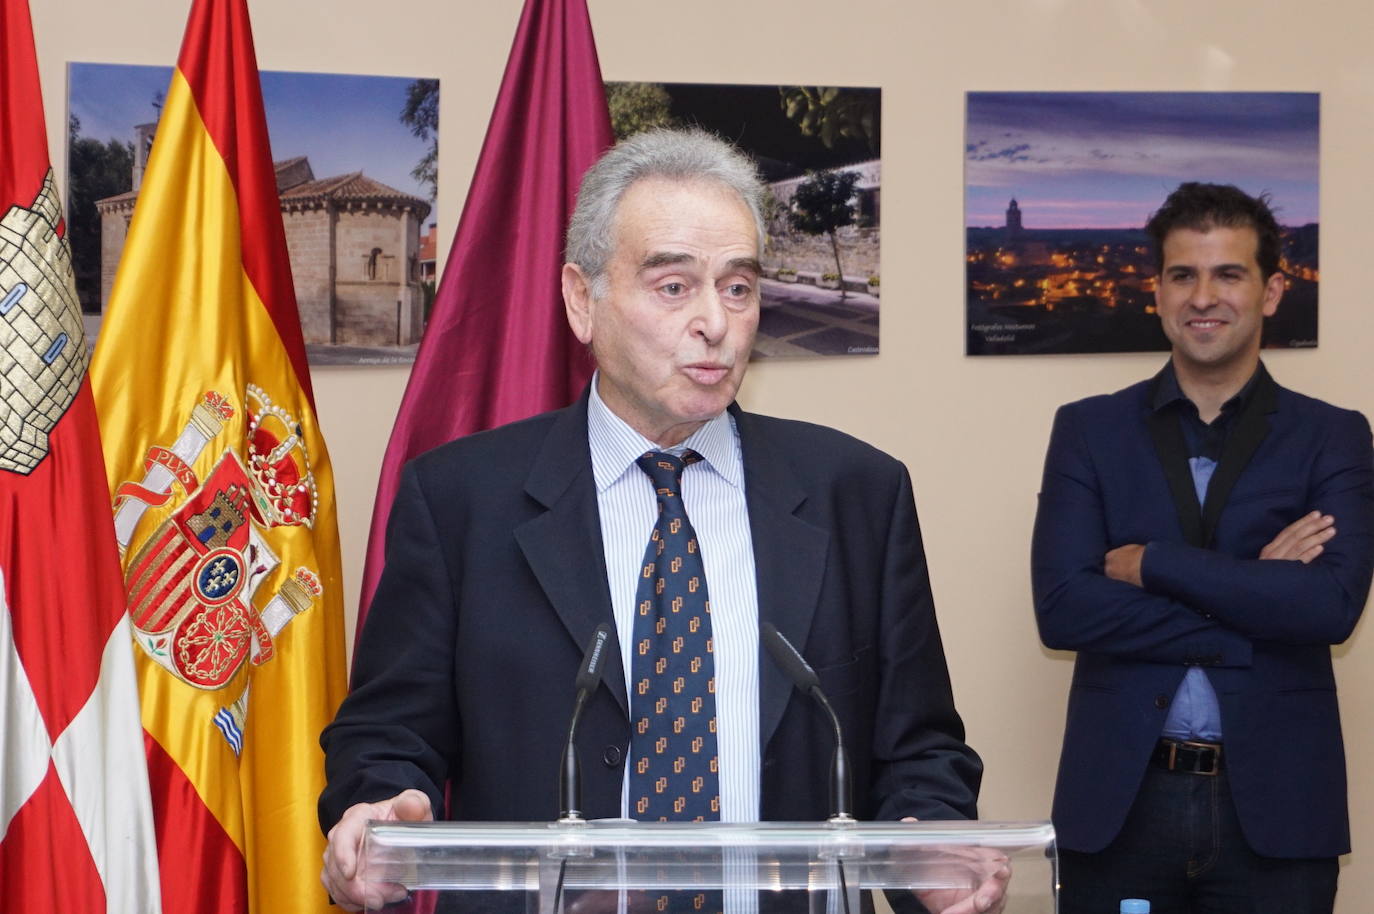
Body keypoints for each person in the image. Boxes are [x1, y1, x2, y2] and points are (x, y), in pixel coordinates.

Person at [319, 129, 1004, 913]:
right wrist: (381, 808)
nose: (716, 321)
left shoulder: (859, 493)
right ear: (583, 299)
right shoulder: (461, 500)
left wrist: (926, 841)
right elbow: (386, 736)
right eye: (674, 286)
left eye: (738, 287)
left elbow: (920, 750)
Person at [1032, 182, 1374, 914]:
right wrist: (1257, 592)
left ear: (1273, 291)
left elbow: (1331, 607)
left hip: (1279, 810)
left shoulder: (1335, 436)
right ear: (1156, 292)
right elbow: (1063, 611)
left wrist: (1157, 564)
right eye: (1183, 274)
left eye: (1229, 274)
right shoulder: (1088, 431)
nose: (1203, 296)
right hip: (1121, 805)